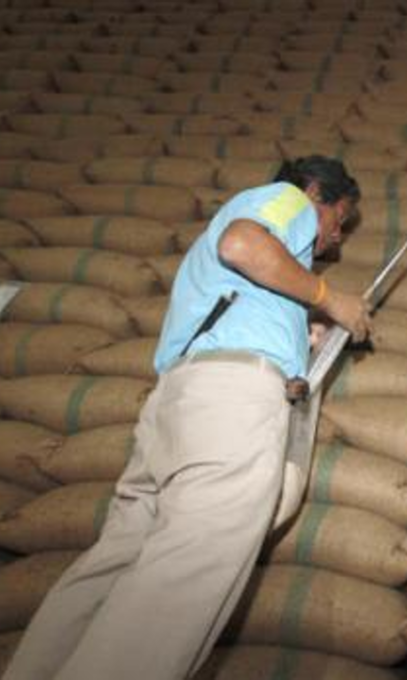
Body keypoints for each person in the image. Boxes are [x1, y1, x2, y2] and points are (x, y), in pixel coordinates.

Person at [2, 155, 370, 680]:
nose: (333, 240)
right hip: (227, 404)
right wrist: (330, 299)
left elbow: (240, 294)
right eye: (339, 221)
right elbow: (242, 245)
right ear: (316, 192)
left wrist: (301, 334)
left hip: (177, 407)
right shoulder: (287, 202)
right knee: (182, 581)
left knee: (115, 566)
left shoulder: (243, 284)